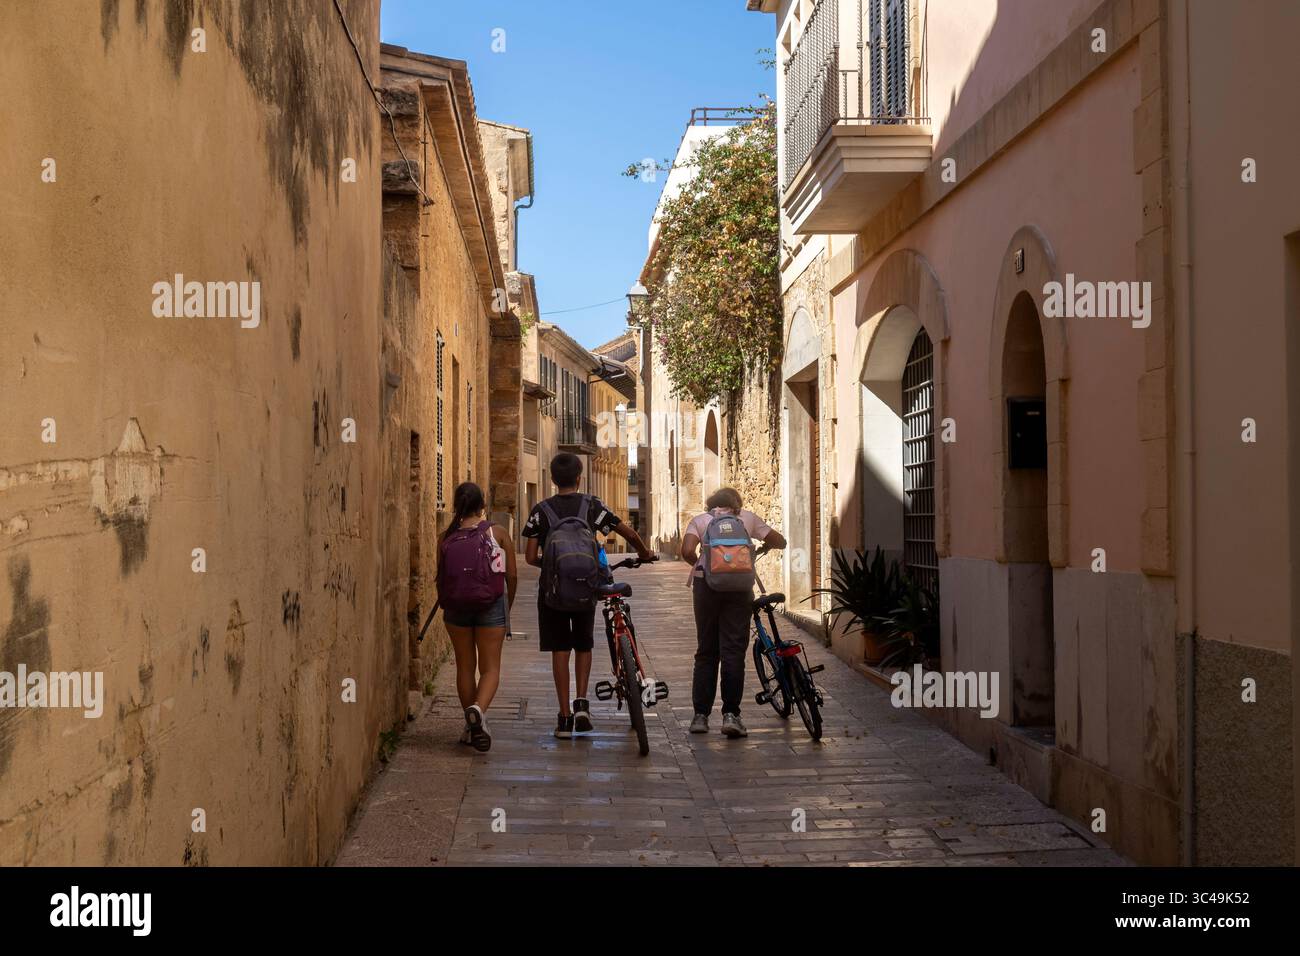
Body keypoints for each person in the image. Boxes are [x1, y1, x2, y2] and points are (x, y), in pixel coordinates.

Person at [523, 453, 653, 738]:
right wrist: (644, 552)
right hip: (585, 587)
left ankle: (564, 718)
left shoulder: (540, 510)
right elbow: (628, 532)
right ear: (579, 478)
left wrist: (553, 566)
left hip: (553, 593)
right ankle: (582, 702)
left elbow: (531, 556)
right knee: (583, 644)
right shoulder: (592, 505)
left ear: (553, 479)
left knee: (560, 649)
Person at [680, 487, 785, 738]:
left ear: (711, 503)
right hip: (740, 588)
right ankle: (731, 715)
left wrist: (705, 565)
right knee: (733, 652)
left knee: (706, 651)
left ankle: (700, 717)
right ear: (736, 504)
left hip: (706, 588)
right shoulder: (747, 518)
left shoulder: (700, 520)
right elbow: (779, 541)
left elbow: (685, 551)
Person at [437, 482, 517, 753]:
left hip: (456, 609)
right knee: (490, 668)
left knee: (464, 668)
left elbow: (441, 578)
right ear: (482, 504)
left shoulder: (445, 537)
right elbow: (512, 576)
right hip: (490, 605)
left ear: (457, 505)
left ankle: (471, 726)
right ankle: (478, 711)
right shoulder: (499, 533)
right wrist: (508, 605)